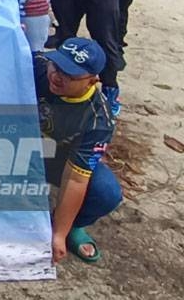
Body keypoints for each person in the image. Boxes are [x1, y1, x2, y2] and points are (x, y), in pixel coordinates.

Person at [34, 38, 121, 265]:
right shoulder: (39, 67)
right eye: (57, 66)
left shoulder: (97, 120)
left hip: (57, 159)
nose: (57, 76)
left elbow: (75, 179)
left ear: (92, 81)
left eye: (70, 75)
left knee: (106, 192)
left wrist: (59, 234)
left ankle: (72, 226)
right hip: (14, 144)